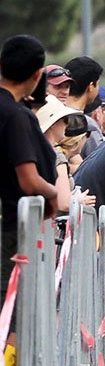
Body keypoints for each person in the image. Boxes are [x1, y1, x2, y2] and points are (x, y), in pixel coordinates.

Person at [0, 36, 59, 294]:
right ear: (37, 74)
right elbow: (29, 179)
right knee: (11, 309)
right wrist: (53, 193)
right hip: (11, 225)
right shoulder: (15, 116)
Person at [36, 99, 93, 215]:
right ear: (52, 124)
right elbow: (64, 203)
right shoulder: (57, 156)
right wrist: (79, 200)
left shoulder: (35, 150)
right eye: (65, 119)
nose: (67, 125)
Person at [63, 56, 104, 156]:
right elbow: (96, 165)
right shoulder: (88, 126)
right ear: (90, 86)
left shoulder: (51, 114)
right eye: (97, 84)